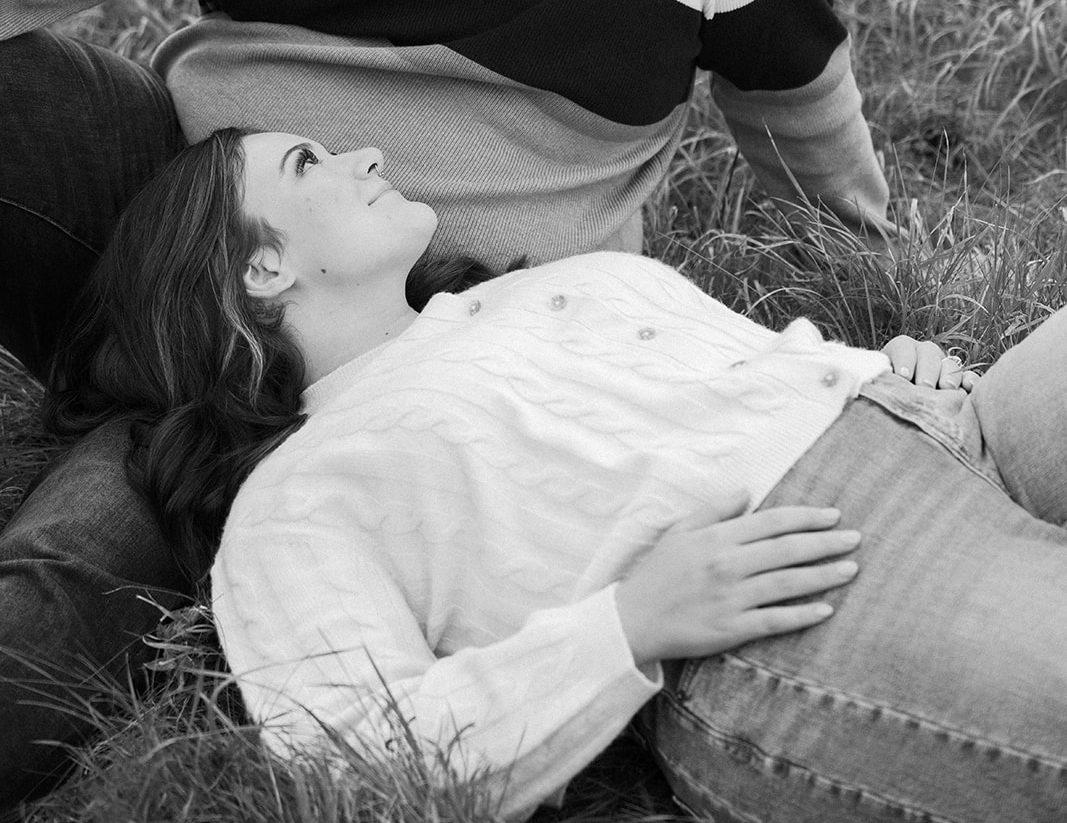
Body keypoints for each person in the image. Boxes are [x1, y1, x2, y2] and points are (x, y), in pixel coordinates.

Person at [0, 0, 895, 802]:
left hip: (413, 337)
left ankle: (148, 448)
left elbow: (799, 108)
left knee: (55, 602)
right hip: (195, 205)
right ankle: (137, 368)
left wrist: (878, 285)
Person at [47, 130, 1067, 823]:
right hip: (808, 597)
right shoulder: (298, 494)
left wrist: (868, 370)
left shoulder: (535, 290)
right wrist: (622, 627)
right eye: (309, 161)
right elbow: (358, 756)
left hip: (949, 430)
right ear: (259, 269)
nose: (362, 153)